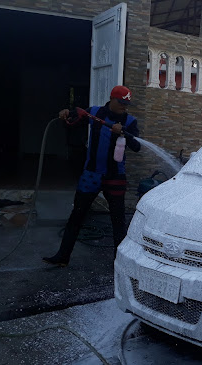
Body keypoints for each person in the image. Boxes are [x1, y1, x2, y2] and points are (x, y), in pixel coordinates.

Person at [43, 85, 141, 267]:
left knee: (118, 221)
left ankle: (119, 263)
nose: (124, 107)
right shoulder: (94, 113)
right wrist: (65, 114)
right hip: (91, 175)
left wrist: (124, 133)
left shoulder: (130, 122)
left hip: (116, 177)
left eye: (127, 104)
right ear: (111, 99)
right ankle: (62, 257)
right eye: (121, 103)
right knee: (77, 216)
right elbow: (72, 121)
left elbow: (137, 146)